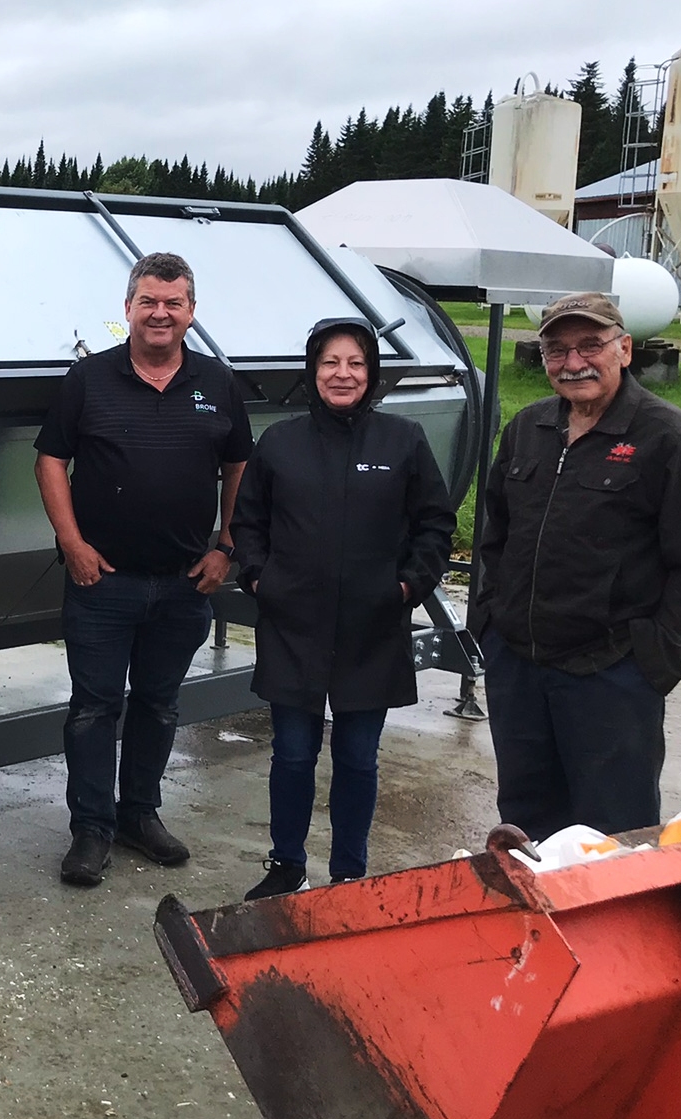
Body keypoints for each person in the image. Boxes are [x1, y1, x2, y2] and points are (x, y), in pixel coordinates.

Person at [470, 292, 681, 840]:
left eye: (590, 345)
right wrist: (491, 625)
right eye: (556, 350)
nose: (573, 362)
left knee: (613, 834)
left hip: (609, 676)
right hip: (519, 667)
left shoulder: (670, 438)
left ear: (625, 349)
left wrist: (651, 661)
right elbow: (494, 535)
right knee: (525, 828)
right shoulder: (528, 429)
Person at [33, 252, 251, 888]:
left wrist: (226, 546)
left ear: (190, 312)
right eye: (148, 301)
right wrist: (71, 542)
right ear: (127, 308)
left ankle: (139, 815)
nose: (161, 313)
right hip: (102, 582)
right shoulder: (88, 379)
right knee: (94, 709)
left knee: (158, 706)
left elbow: (239, 467)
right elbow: (50, 460)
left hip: (186, 582)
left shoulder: (218, 383)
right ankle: (91, 829)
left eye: (173, 302)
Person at [231, 318, 455, 899]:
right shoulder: (280, 441)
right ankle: (286, 864)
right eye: (330, 362)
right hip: (293, 626)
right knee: (293, 755)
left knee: (358, 757)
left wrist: (406, 587)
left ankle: (349, 873)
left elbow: (435, 523)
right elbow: (247, 522)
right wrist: (260, 579)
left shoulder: (402, 440)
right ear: (312, 371)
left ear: (372, 373)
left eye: (355, 363)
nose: (342, 374)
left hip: (372, 628)